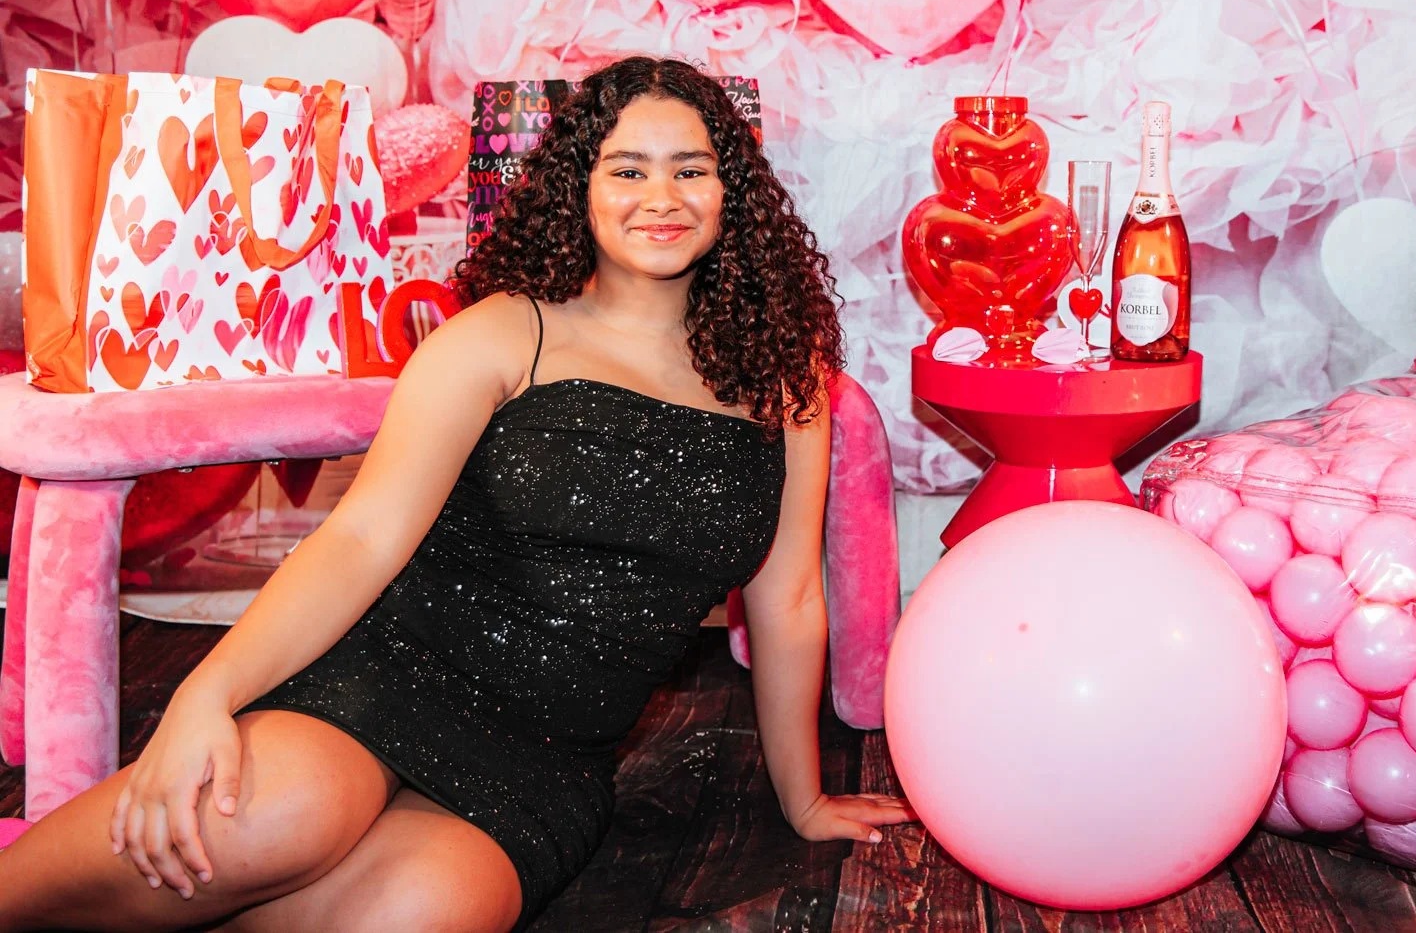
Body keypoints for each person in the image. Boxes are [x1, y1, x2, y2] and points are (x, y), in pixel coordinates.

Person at [0, 56, 914, 932]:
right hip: (392, 676)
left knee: (417, 916)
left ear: (733, 192)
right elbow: (360, 538)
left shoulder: (786, 379)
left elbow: (788, 600)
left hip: (552, 757)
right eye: (627, 168)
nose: (661, 198)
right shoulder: (504, 334)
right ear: (578, 187)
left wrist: (803, 800)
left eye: (691, 169)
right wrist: (206, 694)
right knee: (274, 816)